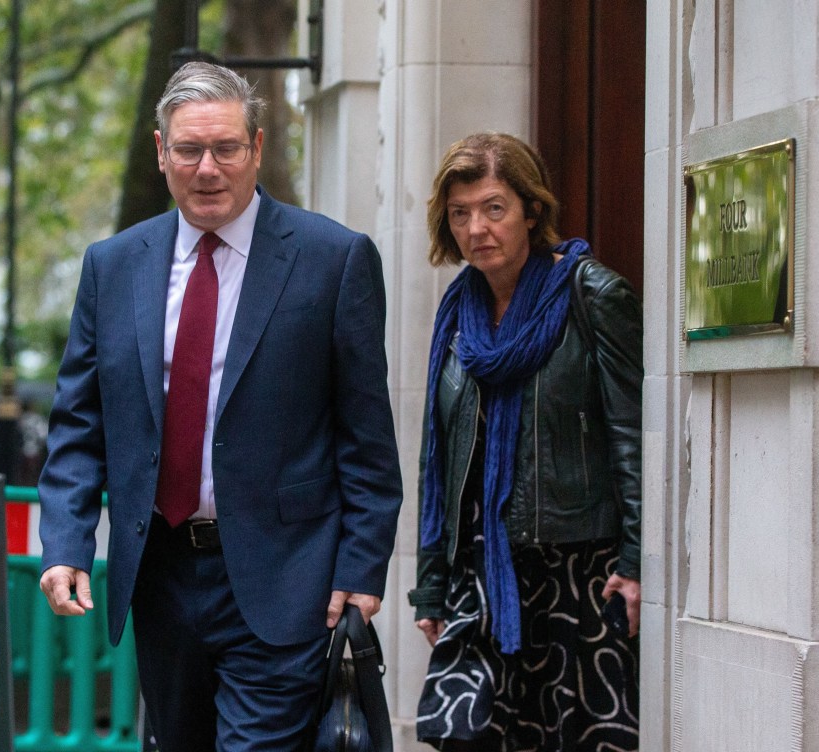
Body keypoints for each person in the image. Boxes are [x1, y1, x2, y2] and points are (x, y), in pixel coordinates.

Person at [37, 61, 402, 752]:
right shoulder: (112, 267)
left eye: (226, 149)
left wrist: (361, 567)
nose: (208, 169)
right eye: (189, 150)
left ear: (256, 149)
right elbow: (79, 425)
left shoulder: (333, 260)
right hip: (162, 577)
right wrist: (65, 541)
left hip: (285, 577)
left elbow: (366, 435)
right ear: (160, 151)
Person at [408, 132, 641, 751]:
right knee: (463, 734)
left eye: (493, 208)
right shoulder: (458, 315)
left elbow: (632, 438)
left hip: (578, 571)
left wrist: (637, 563)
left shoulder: (593, 297)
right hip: (482, 573)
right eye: (460, 214)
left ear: (531, 211)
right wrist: (431, 582)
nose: (476, 228)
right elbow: (440, 453)